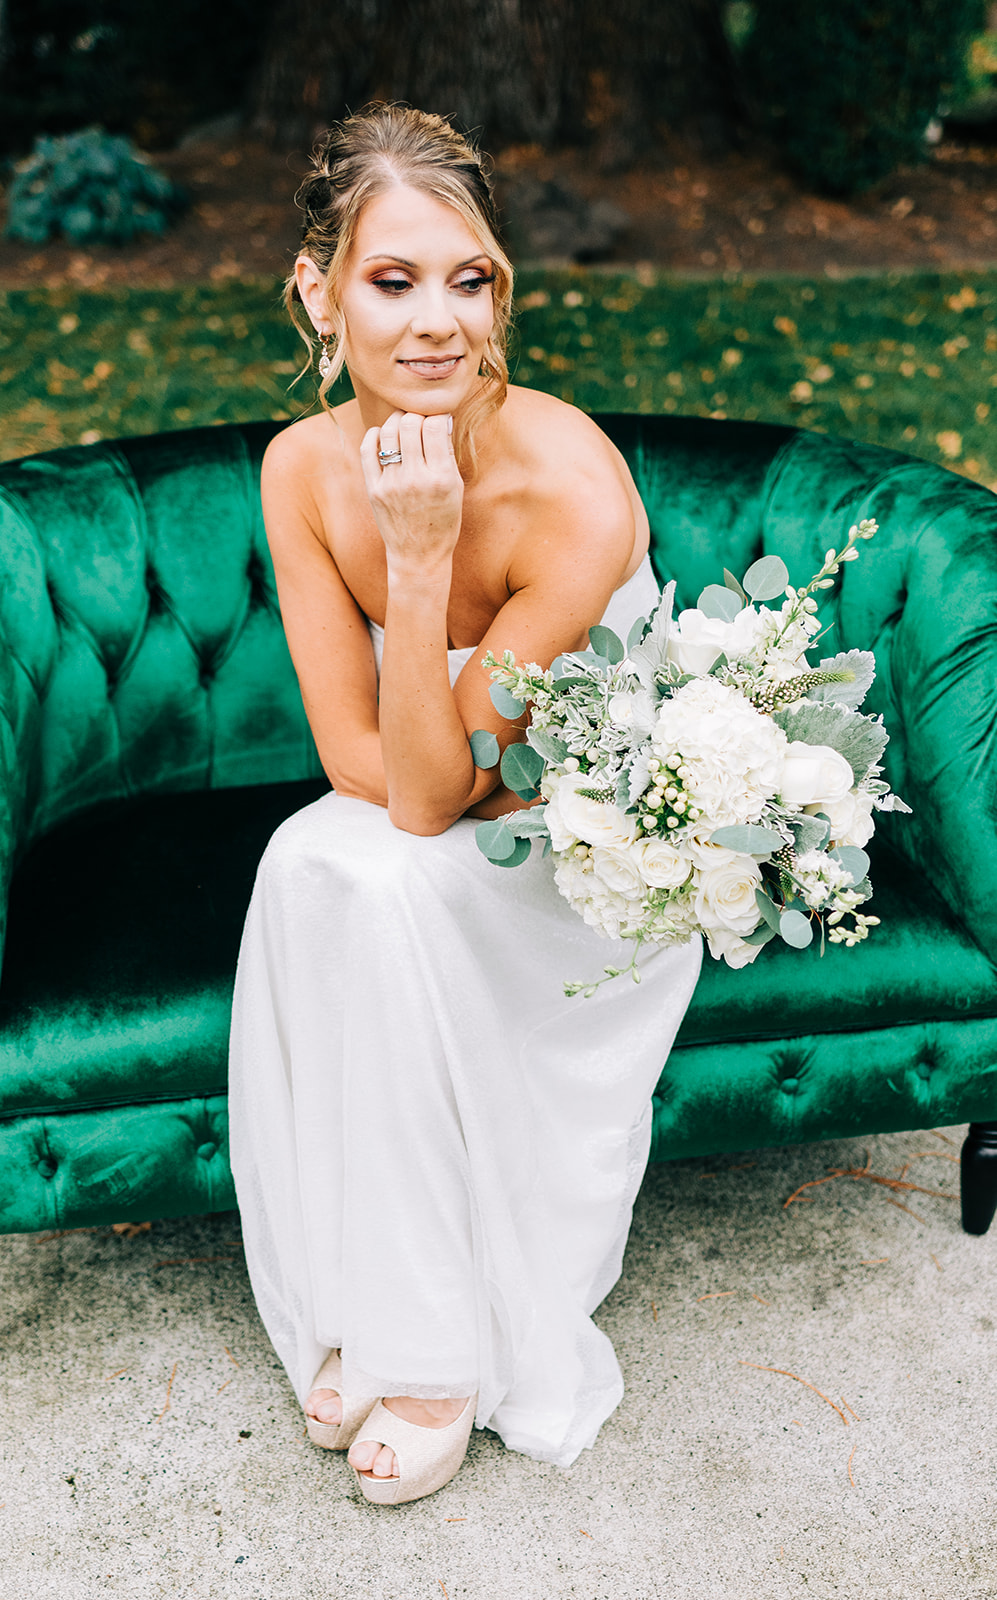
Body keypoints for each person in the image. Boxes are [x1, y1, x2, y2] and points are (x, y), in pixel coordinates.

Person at [228, 103, 702, 1507]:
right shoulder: (301, 470)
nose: (439, 321)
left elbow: (432, 798)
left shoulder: (567, 488)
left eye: (470, 279)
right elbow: (355, 758)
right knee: (312, 861)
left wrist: (424, 554)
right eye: (392, 280)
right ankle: (362, 1296)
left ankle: (431, 1355)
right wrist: (432, 757)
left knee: (377, 873)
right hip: (445, 788)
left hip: (586, 851)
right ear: (319, 292)